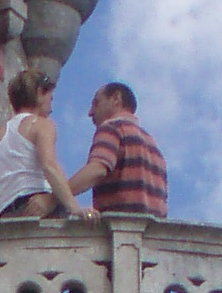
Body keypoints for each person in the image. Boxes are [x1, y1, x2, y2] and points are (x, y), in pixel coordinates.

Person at [0, 65, 81, 222]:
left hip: (6, 215)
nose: (51, 107)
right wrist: (75, 208)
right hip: (38, 206)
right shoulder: (41, 124)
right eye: (50, 98)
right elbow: (49, 166)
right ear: (38, 94)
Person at [71, 81, 168, 219]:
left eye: (96, 103)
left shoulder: (112, 128)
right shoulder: (154, 147)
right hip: (153, 237)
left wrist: (56, 197)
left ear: (116, 99)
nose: (90, 112)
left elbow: (97, 170)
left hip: (119, 233)